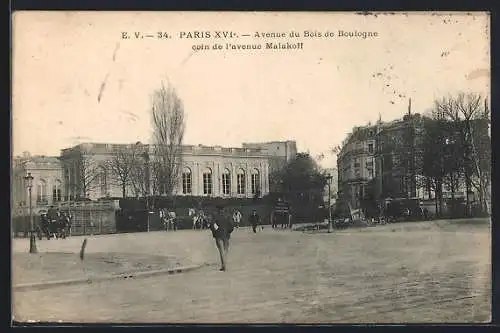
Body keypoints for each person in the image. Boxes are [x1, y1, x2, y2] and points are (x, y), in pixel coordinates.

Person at [209, 205, 234, 271]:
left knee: (221, 250)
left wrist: (215, 232)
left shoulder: (215, 216)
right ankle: (224, 264)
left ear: (218, 210)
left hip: (218, 235)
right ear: (224, 209)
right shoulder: (228, 216)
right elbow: (231, 226)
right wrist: (229, 232)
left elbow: (212, 225)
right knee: (225, 250)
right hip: (226, 235)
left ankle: (224, 265)